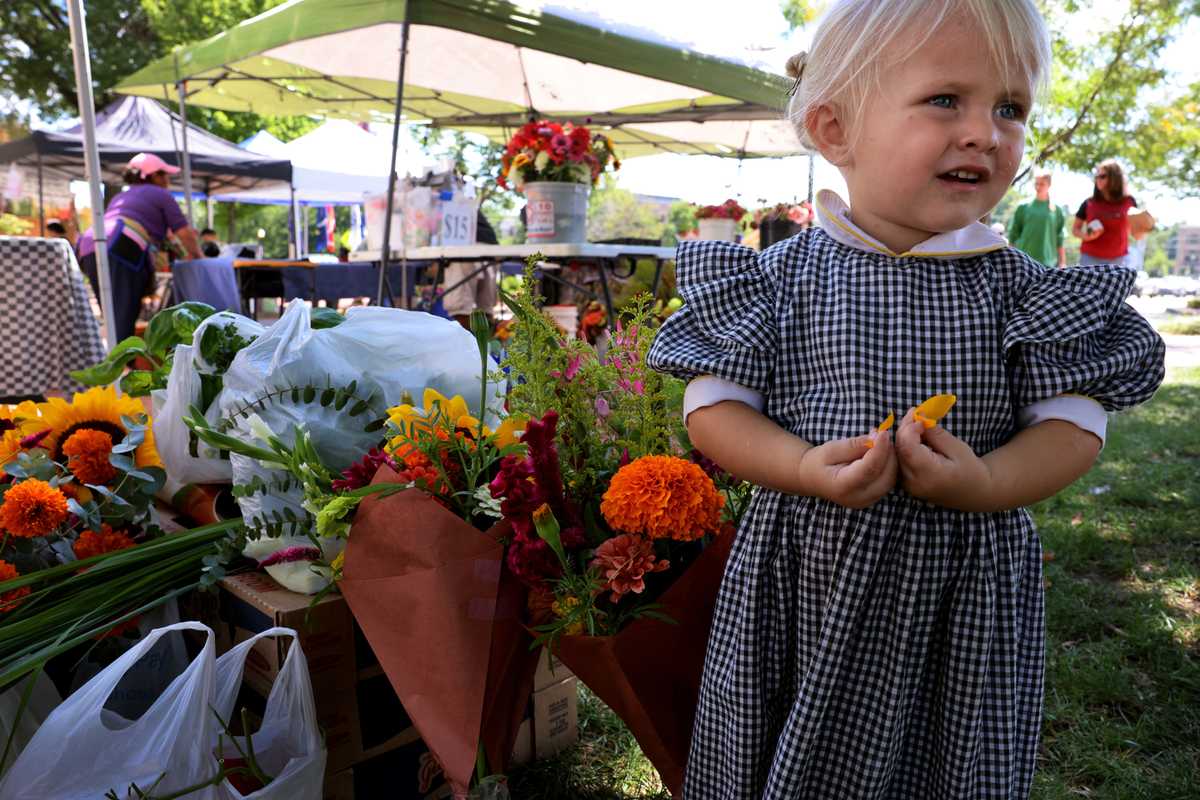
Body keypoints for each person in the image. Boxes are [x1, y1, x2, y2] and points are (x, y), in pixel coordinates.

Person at [646, 2, 1165, 798]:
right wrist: (799, 465)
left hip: (960, 597)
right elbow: (714, 407)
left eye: (1009, 108)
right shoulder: (779, 281)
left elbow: (1072, 425)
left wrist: (989, 482)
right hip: (804, 580)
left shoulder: (1023, 294)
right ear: (835, 130)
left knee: (946, 766)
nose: (985, 133)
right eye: (945, 100)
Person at [77, 153, 203, 340]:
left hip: (89, 242)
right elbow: (183, 233)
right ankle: (124, 365)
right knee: (123, 314)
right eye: (164, 175)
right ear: (153, 176)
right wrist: (200, 256)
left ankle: (114, 361)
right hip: (120, 243)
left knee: (110, 314)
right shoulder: (160, 194)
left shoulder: (122, 196)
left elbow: (163, 234)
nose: (168, 180)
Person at [441, 208, 500, 329]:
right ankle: (487, 344)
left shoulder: (433, 196)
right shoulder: (461, 195)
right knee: (485, 307)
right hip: (490, 246)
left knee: (460, 306)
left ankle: (467, 343)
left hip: (462, 246)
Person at [1072, 159, 1138, 266]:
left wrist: (1146, 225)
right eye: (1097, 176)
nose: (1098, 179)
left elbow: (1137, 233)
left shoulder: (1129, 202)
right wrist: (1087, 236)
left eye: (1102, 176)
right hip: (1090, 259)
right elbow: (1075, 229)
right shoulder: (1089, 203)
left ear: (1115, 178)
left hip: (1118, 260)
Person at [1008, 170, 1066, 267]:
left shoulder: (1057, 210)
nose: (1038, 187)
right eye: (1036, 184)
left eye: (1042, 184)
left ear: (1049, 185)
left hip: (1048, 263)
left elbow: (1060, 239)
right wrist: (1010, 259)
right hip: (1023, 261)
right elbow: (1013, 234)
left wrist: (1062, 263)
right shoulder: (1023, 206)